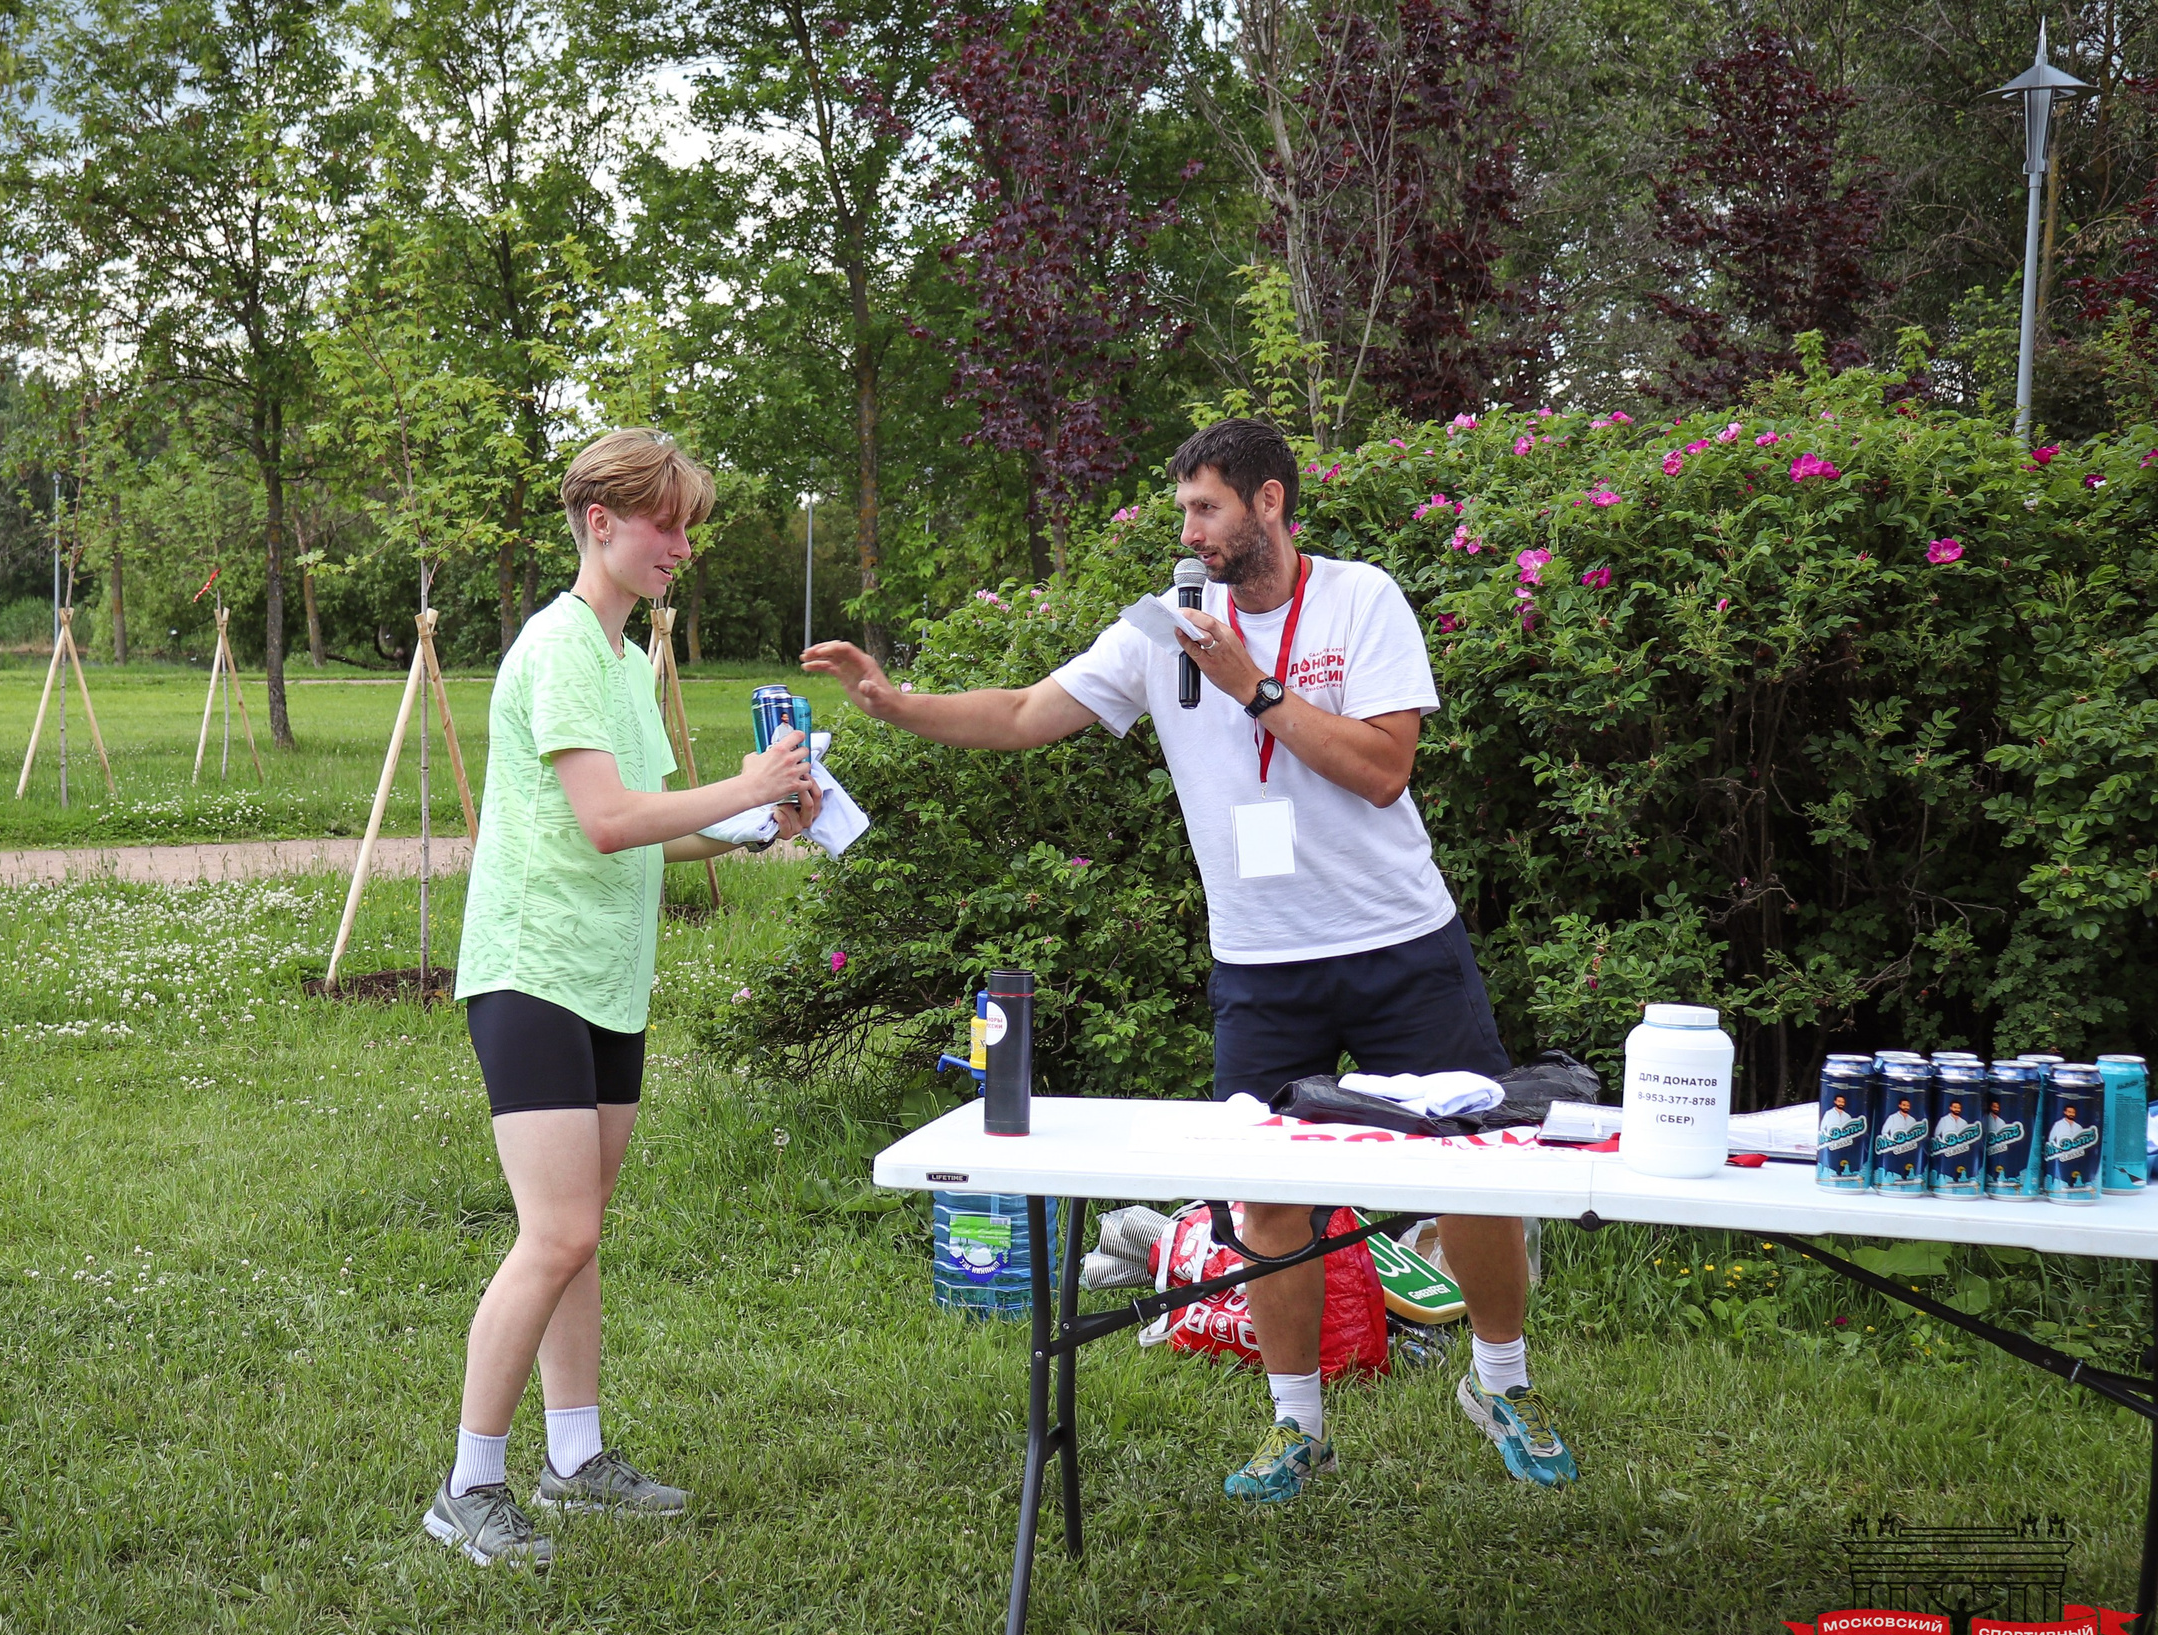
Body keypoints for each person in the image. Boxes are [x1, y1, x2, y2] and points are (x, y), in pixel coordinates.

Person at [802, 417, 1578, 1502]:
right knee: (1265, 1197)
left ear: (1268, 503)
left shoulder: (1361, 601)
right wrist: (897, 705)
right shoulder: (1157, 629)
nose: (1190, 531)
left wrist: (1252, 685)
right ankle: (1296, 1425)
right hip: (1261, 965)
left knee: (1472, 1181)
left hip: (1403, 942)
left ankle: (1501, 1383)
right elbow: (1027, 713)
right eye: (1181, 513)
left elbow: (1383, 769)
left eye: (1206, 508)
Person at [427, 429, 821, 1568]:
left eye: (687, 525)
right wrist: (741, 781)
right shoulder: (557, 647)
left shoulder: (619, 660)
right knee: (555, 1233)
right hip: (532, 969)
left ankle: (576, 1460)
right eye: (667, 524)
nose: (682, 548)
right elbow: (603, 820)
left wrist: (757, 823)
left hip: (606, 978)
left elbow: (647, 825)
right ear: (600, 521)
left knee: (578, 1239)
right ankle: (468, 1486)